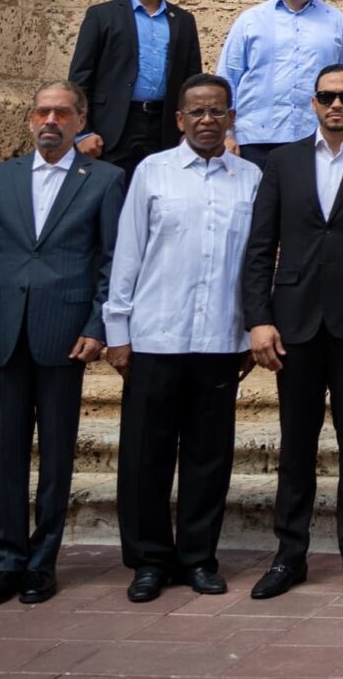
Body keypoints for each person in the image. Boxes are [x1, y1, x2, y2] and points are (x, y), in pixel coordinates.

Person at [239, 63, 343, 599]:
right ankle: (289, 556)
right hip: (295, 324)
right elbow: (260, 246)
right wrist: (258, 319)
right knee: (296, 447)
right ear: (313, 103)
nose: (336, 105)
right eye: (327, 97)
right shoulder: (284, 162)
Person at [0, 82, 124, 606]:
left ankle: (42, 562)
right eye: (42, 112)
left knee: (55, 455)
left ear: (80, 121)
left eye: (62, 112)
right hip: (4, 334)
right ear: (30, 120)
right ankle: (4, 562)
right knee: (9, 453)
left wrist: (98, 326)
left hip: (64, 335)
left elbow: (112, 261)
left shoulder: (104, 179)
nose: (50, 120)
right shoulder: (0, 178)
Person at [103, 72, 258, 603]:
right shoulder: (153, 172)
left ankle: (198, 557)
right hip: (155, 337)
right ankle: (149, 560)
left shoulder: (251, 178)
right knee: (145, 455)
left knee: (208, 457)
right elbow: (128, 253)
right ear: (180, 119)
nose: (208, 120)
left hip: (219, 340)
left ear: (231, 118)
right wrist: (117, 331)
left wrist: (248, 333)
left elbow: (256, 265)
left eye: (218, 111)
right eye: (197, 112)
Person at [215, 0, 343, 161]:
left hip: (315, 138)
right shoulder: (250, 21)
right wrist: (226, 134)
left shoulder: (336, 22)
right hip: (256, 139)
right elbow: (227, 79)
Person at [67, 0, 204, 171]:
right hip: (113, 126)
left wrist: (188, 129)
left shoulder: (182, 20)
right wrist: (83, 132)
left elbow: (192, 80)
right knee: (113, 192)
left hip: (164, 126)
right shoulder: (102, 15)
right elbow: (80, 78)